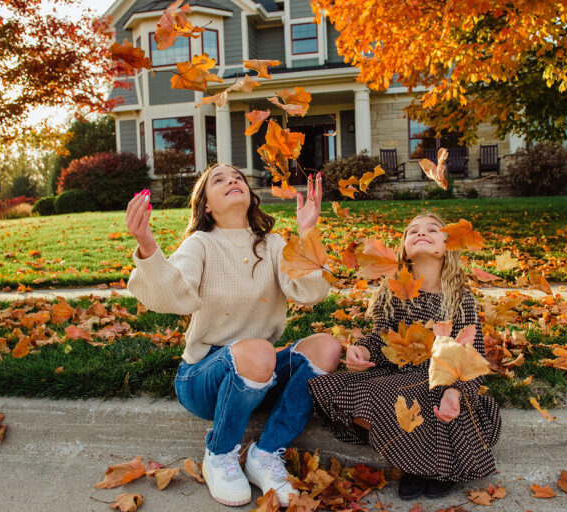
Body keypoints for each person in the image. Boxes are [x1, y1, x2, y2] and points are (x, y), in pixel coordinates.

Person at [125, 164, 340, 507]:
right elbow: (173, 295)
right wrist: (148, 247)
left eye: (238, 177)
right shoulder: (200, 244)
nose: (232, 180)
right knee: (259, 352)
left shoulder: (273, 244)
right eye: (219, 179)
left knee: (327, 347)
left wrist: (308, 232)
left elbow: (311, 292)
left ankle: (265, 454)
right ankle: (220, 454)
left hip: (261, 372)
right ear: (206, 205)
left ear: (250, 197)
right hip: (203, 379)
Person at [308, 213, 502, 500]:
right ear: (404, 250)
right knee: (349, 391)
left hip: (441, 382)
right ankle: (416, 458)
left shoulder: (460, 298)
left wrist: (455, 391)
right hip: (398, 378)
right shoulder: (393, 291)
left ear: (446, 247)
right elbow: (382, 338)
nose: (421, 233)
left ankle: (431, 466)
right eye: (413, 231)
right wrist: (363, 350)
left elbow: (472, 357)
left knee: (410, 395)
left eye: (432, 230)